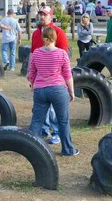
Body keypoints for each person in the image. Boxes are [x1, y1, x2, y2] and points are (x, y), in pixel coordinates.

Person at [28, 27, 78, 156]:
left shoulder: (37, 53)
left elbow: (32, 73)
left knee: (37, 121)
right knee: (63, 121)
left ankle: (30, 150)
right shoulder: (62, 53)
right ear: (55, 38)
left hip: (40, 90)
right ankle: (68, 150)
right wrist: (71, 92)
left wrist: (33, 85)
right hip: (58, 89)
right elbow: (67, 75)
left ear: (43, 38)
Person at [30, 6, 69, 144]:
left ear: (50, 17)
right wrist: (31, 77)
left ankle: (56, 132)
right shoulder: (35, 34)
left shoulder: (58, 32)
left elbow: (64, 56)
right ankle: (43, 131)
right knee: (40, 107)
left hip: (55, 80)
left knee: (53, 109)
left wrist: (65, 80)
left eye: (45, 15)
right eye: (40, 14)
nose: (42, 17)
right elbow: (33, 55)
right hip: (40, 80)